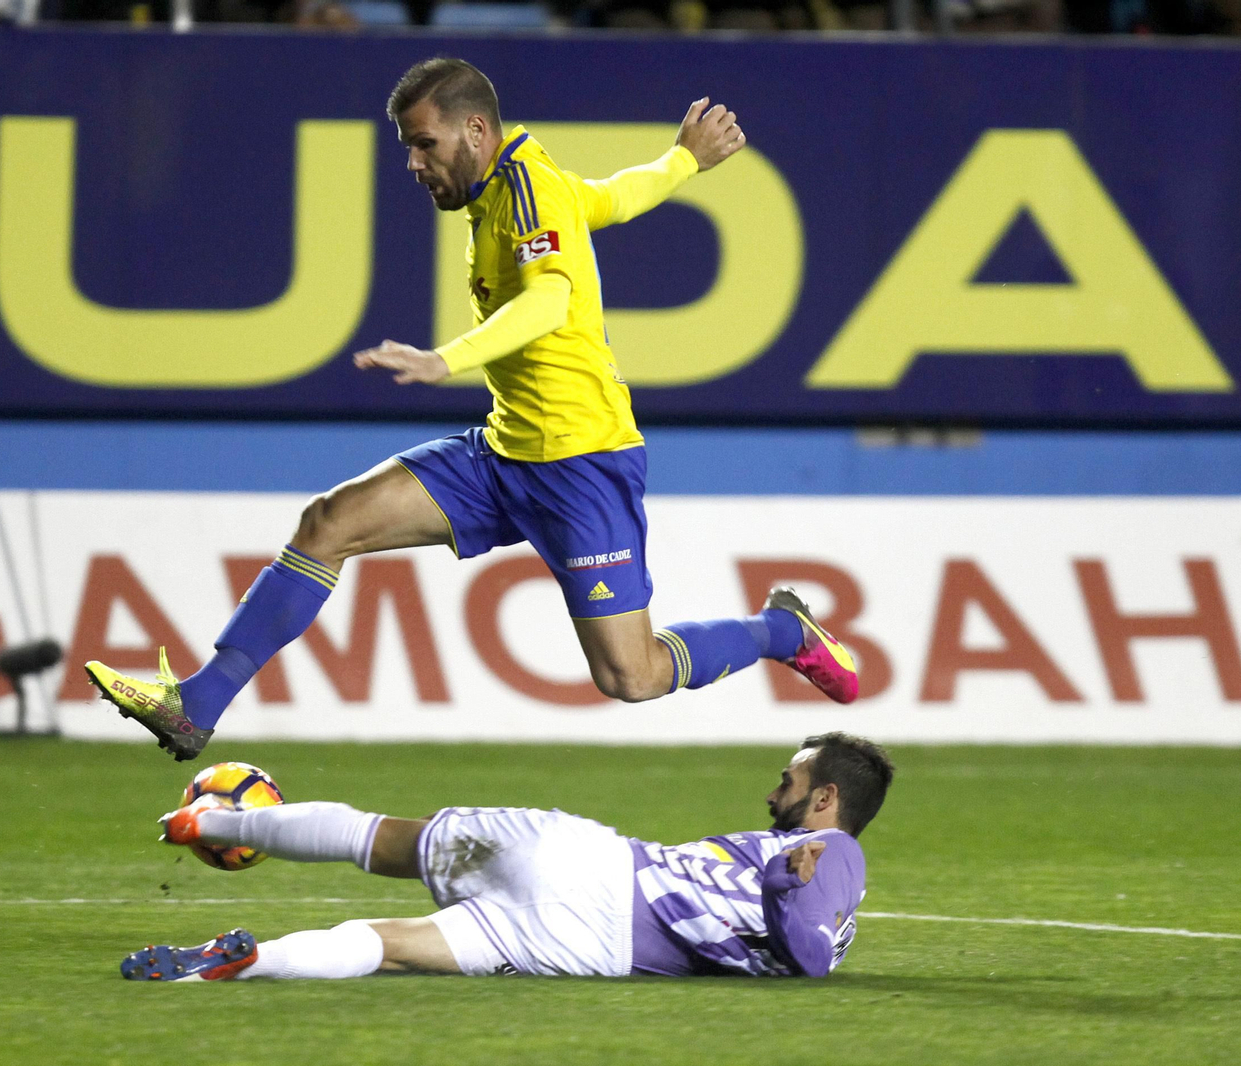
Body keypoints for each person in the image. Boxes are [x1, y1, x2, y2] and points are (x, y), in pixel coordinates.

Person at [84, 57, 858, 762]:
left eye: (423, 144)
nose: (414, 164)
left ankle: (782, 630)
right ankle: (198, 702)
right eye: (407, 148)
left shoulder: (525, 190)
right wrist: (684, 159)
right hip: (502, 455)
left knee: (634, 674)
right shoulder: (511, 186)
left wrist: (443, 360)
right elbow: (608, 202)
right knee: (328, 524)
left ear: (475, 129)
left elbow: (551, 298)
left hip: (582, 463)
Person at [120, 732, 894, 981]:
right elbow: (808, 950)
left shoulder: (830, 855)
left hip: (583, 864)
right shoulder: (790, 861)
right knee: (389, 946)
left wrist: (783, 888)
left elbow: (809, 953)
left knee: (376, 838)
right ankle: (251, 963)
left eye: (788, 782)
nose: (772, 794)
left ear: (827, 801)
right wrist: (780, 895)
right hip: (588, 948)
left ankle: (216, 824)